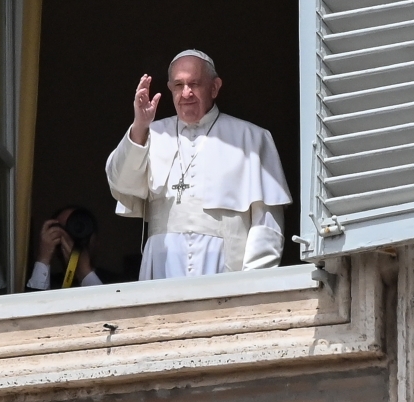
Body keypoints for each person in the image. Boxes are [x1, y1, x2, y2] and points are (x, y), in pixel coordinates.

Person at [106, 50, 292, 280]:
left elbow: (267, 222)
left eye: (194, 84)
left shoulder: (251, 138)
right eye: (178, 85)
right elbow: (120, 183)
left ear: (214, 87)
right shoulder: (150, 134)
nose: (186, 93)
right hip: (163, 265)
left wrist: (251, 283)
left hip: (225, 267)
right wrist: (139, 125)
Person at [26, 206, 103, 291]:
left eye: (79, 227)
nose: (72, 236)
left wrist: (84, 272)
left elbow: (108, 303)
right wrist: (43, 258)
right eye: (63, 229)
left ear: (96, 240)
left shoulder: (116, 283)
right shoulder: (48, 282)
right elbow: (35, 302)